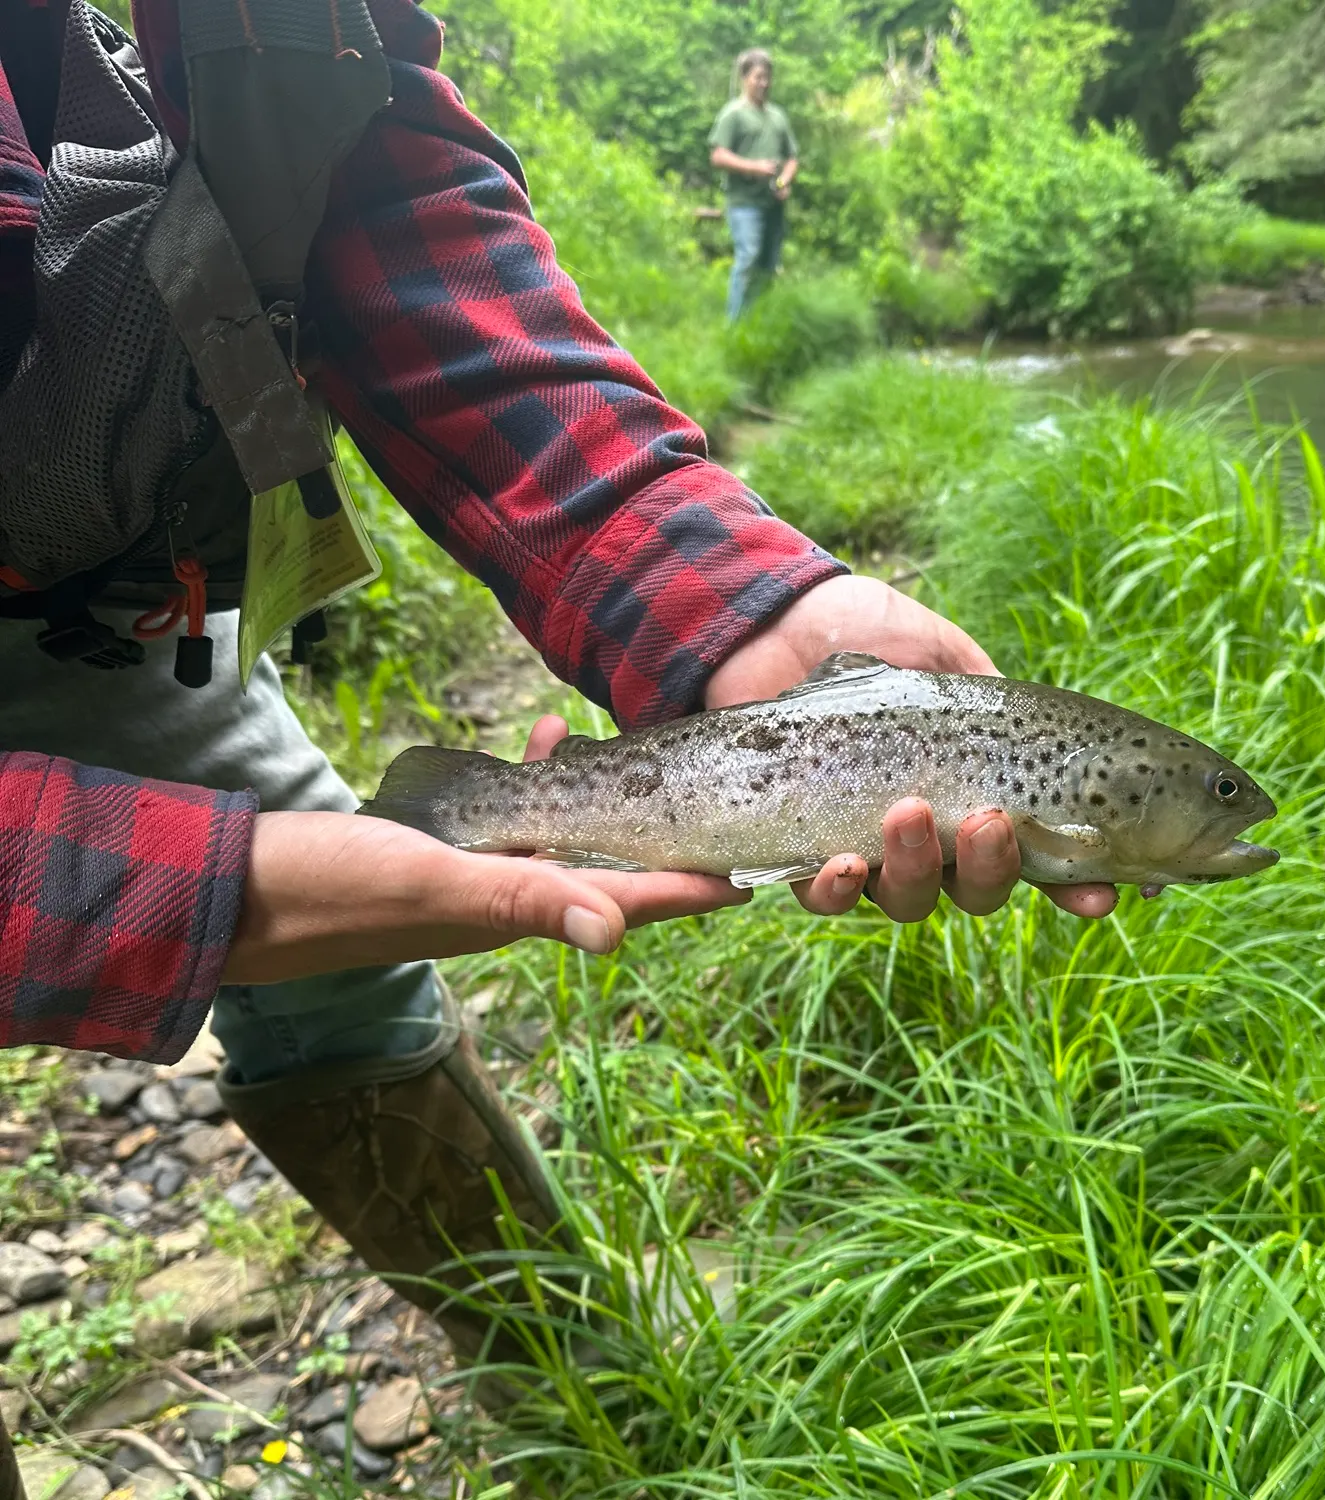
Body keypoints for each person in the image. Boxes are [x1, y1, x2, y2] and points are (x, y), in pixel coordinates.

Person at [0, 0, 1118, 1467]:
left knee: (359, 969)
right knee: (307, 899)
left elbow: (389, 200)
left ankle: (575, 1388)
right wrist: (207, 888)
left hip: (101, 593)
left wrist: (720, 593)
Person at [709, 48, 798, 321]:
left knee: (768, 264)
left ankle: (758, 321)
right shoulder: (733, 114)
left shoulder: (777, 116)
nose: (764, 83)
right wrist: (755, 167)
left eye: (767, 77)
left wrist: (783, 181)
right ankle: (734, 325)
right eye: (758, 77)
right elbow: (717, 155)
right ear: (744, 77)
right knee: (747, 258)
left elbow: (792, 157)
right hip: (744, 202)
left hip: (772, 203)